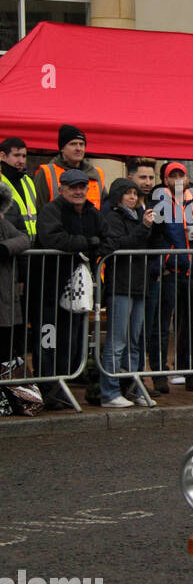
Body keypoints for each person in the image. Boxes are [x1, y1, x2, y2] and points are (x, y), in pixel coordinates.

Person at [34, 169, 102, 408]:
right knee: (48, 342)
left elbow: (104, 238)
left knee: (70, 343)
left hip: (76, 293)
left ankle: (62, 388)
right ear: (62, 188)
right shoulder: (51, 211)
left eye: (82, 186)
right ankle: (48, 389)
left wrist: (94, 245)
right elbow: (54, 239)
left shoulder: (92, 212)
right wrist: (86, 243)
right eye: (73, 187)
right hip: (48, 289)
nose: (78, 191)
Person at [148, 162, 193, 392]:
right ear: (165, 180)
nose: (178, 179)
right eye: (173, 175)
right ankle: (159, 374)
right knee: (162, 326)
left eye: (181, 174)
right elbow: (155, 236)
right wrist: (164, 259)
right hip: (169, 272)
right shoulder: (158, 204)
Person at [98, 179, 154, 407]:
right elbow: (122, 244)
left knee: (134, 341)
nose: (132, 197)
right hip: (121, 284)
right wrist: (144, 227)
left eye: (134, 194)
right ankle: (109, 392)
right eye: (127, 193)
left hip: (139, 284)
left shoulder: (138, 216)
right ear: (118, 196)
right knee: (117, 341)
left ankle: (131, 387)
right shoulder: (113, 218)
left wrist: (153, 226)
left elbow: (150, 243)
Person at [33, 125, 108, 210]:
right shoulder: (47, 172)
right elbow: (38, 208)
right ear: (62, 149)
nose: (78, 148)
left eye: (82, 144)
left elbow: (105, 209)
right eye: (73, 144)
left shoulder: (97, 174)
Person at [0, 181, 32, 367]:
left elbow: (23, 239)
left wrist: (5, 248)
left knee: (5, 354)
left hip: (3, 301)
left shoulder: (3, 224)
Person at [1, 137, 39, 239]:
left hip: (30, 246)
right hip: (8, 245)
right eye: (16, 155)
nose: (21, 160)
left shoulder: (28, 181)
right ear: (3, 156)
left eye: (24, 156)